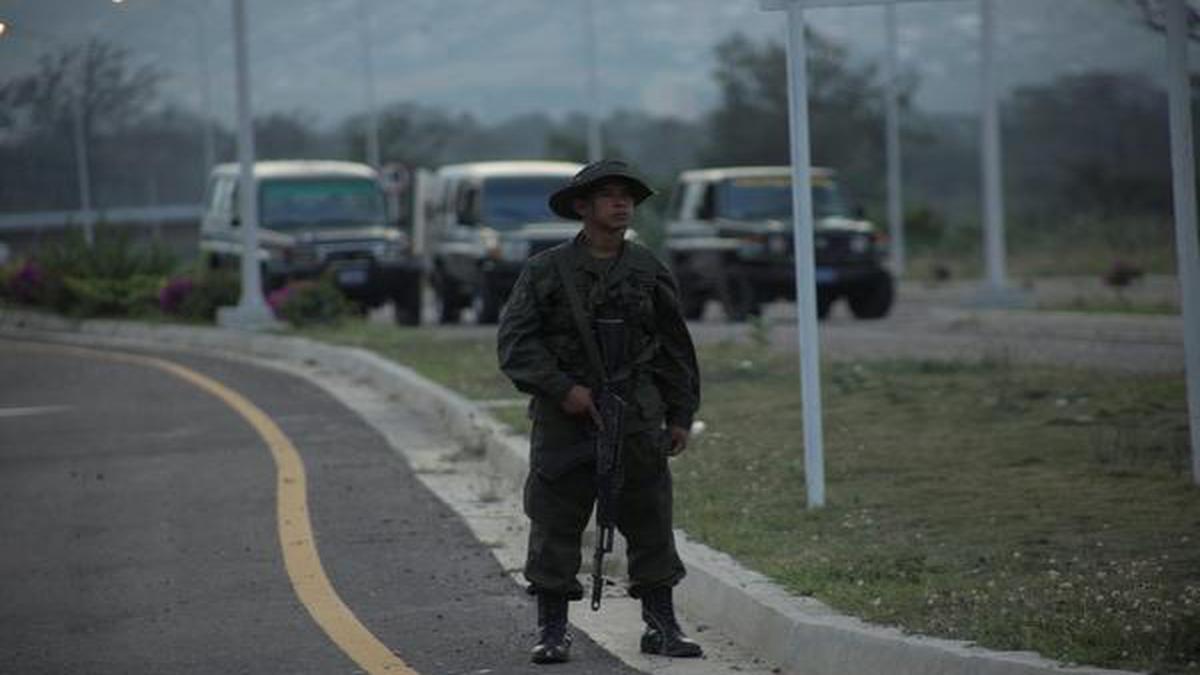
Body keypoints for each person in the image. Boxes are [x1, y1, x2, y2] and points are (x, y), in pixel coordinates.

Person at [497, 159, 703, 664]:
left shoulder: (648, 269)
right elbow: (516, 344)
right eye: (609, 195)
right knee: (554, 519)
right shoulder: (546, 271)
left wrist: (679, 414)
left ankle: (661, 624)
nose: (621, 203)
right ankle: (552, 629)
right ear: (582, 208)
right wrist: (564, 390)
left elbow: (677, 348)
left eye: (627, 195)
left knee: (650, 516)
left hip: (636, 415)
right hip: (566, 420)